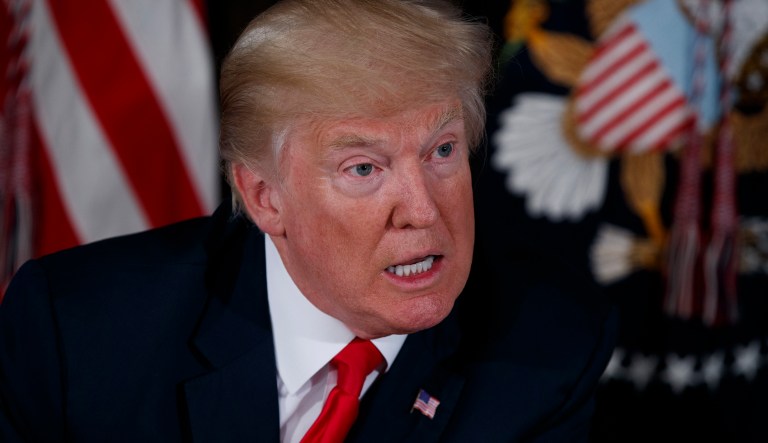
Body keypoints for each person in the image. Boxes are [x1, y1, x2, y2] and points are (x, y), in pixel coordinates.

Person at [0, 0, 616, 441]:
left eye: (442, 151)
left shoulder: (548, 347)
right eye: (363, 169)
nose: (425, 211)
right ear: (266, 197)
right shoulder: (76, 333)